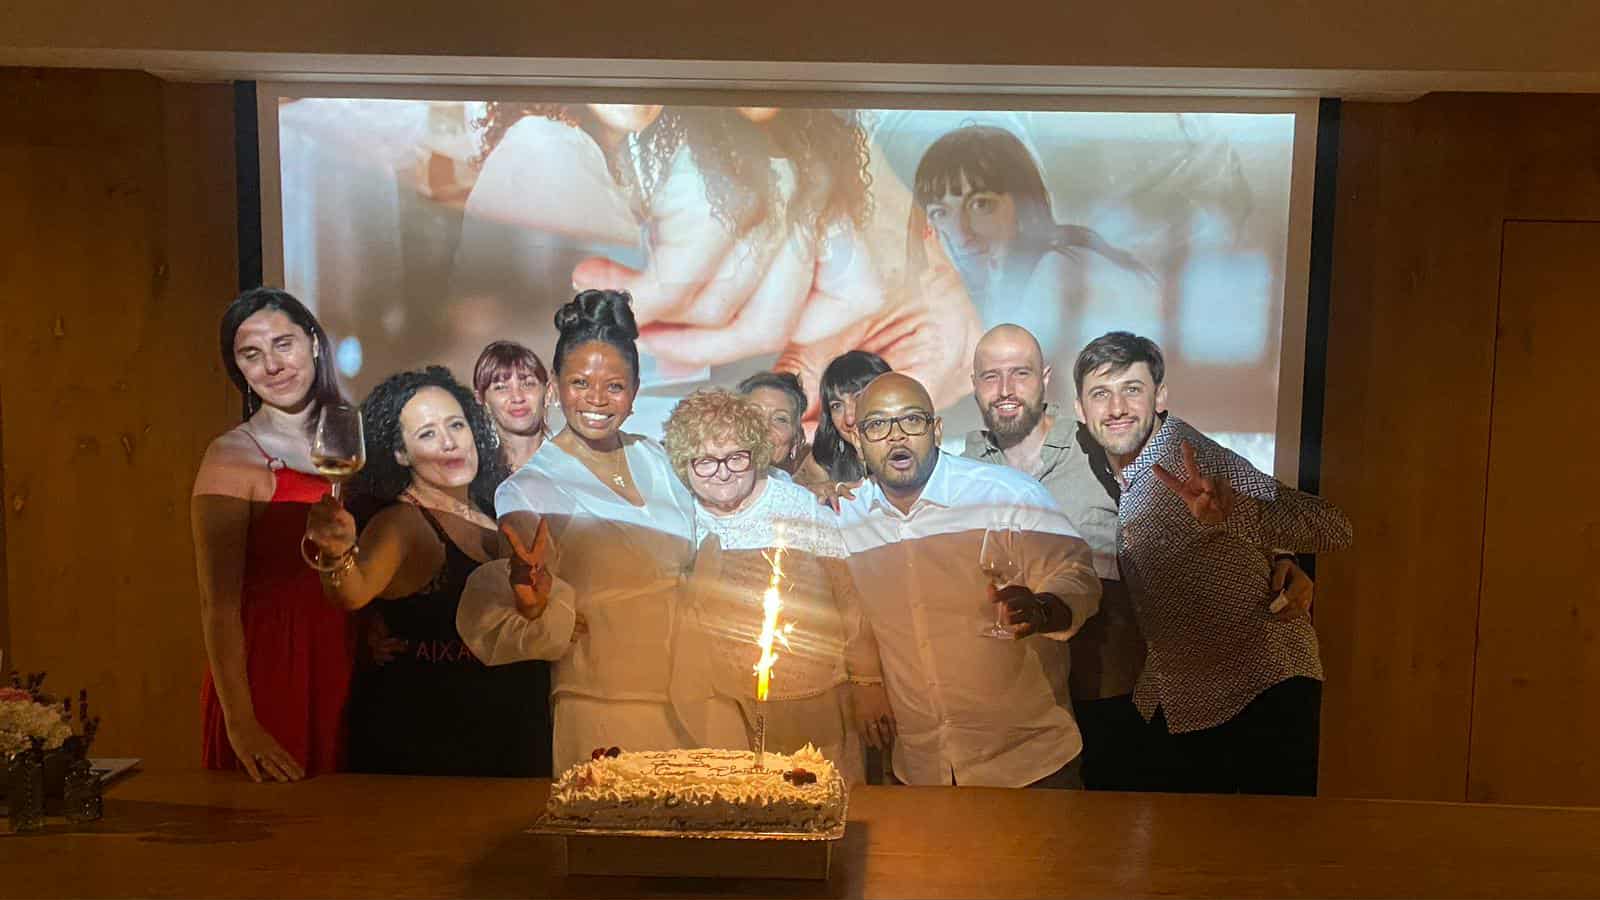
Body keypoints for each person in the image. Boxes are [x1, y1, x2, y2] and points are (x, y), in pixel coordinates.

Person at [962, 324, 1314, 791]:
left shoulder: (1097, 440)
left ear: (1044, 378)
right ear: (973, 384)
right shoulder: (965, 466)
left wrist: (1281, 556)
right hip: (1026, 702)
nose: (1005, 389)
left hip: (1115, 692)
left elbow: (1210, 494)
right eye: (991, 376)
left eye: (1020, 373)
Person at [455, 290, 737, 774]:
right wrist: (532, 601)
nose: (597, 400)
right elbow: (527, 602)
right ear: (555, 386)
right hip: (606, 700)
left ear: (636, 390)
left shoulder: (659, 458)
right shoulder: (527, 489)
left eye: (615, 386)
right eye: (580, 382)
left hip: (701, 694)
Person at [1073, 331, 1352, 796]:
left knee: (1266, 842)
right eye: (1101, 393)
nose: (1116, 407)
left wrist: (1238, 512)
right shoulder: (1122, 468)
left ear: (1160, 397)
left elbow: (1332, 527)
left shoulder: (1195, 459)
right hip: (1183, 699)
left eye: (1132, 389)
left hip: (1261, 694)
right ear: (1081, 410)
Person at [834, 372, 1101, 787]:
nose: (896, 436)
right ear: (857, 439)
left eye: (912, 420)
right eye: (877, 425)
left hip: (1028, 764)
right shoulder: (846, 517)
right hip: (922, 770)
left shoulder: (1005, 494)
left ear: (937, 429)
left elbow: (1077, 575)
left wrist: (1044, 609)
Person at [302, 367, 551, 776]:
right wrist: (335, 554)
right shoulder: (403, 522)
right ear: (400, 454)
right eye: (427, 433)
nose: (449, 442)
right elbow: (352, 591)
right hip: (434, 741)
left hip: (509, 733)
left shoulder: (493, 510)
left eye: (456, 425)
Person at [662, 388, 869, 783]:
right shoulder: (679, 516)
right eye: (705, 461)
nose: (723, 472)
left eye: (735, 457)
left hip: (811, 704)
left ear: (755, 452)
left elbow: (849, 601)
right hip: (719, 712)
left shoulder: (799, 506)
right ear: (684, 463)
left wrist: (866, 683)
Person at [193, 287, 352, 782]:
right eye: (251, 354)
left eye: (283, 344)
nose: (273, 365)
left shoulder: (354, 439)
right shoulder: (231, 455)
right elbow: (217, 605)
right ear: (238, 368)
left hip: (350, 660)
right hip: (273, 667)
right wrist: (242, 724)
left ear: (313, 343)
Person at [908, 125, 1152, 362]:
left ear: (1024, 203)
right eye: (940, 213)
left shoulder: (1056, 270)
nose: (961, 233)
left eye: (980, 205)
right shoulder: (995, 283)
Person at [810, 350, 892, 486]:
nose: (849, 419)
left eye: (859, 398)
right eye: (837, 406)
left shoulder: (916, 453)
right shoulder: (824, 461)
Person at [735, 370, 828, 486]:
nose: (765, 427)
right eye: (754, 414)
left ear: (797, 439)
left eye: (780, 419)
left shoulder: (800, 495)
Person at [473, 340, 553, 474]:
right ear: (481, 399)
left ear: (548, 392)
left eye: (528, 384)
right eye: (501, 387)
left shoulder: (575, 468)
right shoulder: (474, 476)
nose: (517, 397)